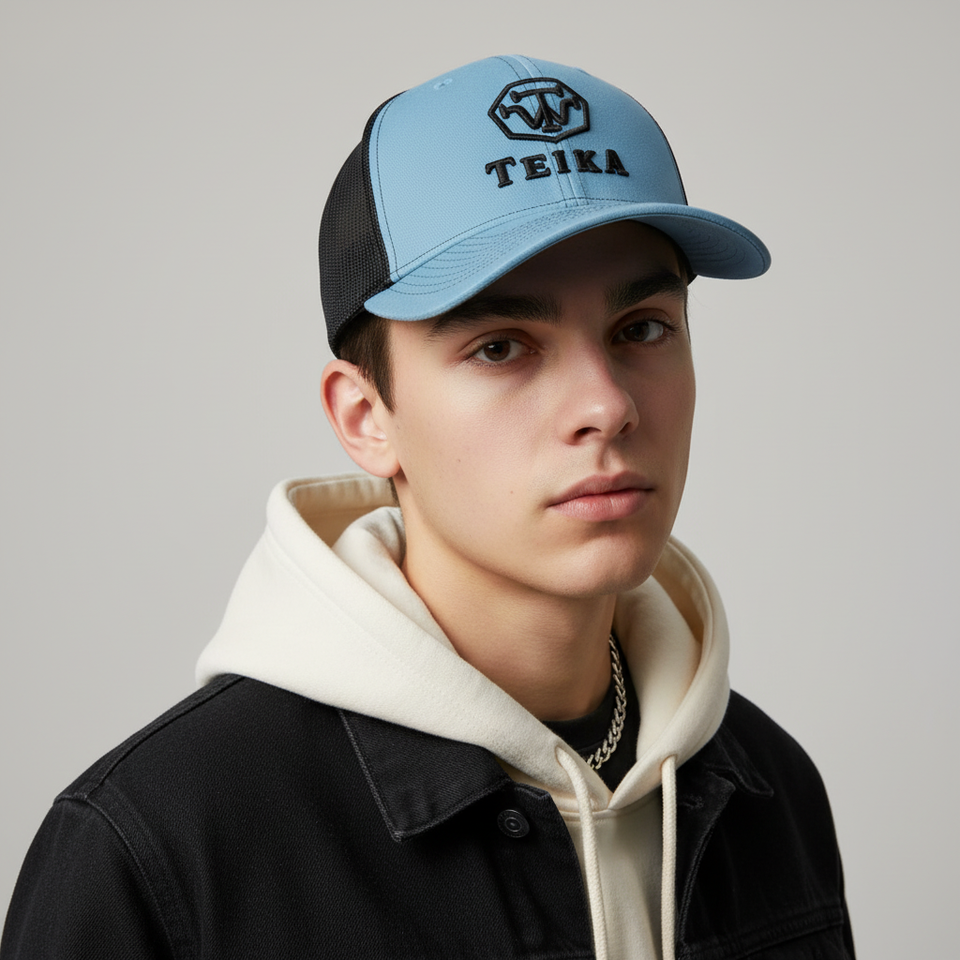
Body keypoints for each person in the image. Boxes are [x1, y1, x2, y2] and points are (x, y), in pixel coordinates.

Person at [0, 55, 854, 960]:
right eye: (501, 347)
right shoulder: (160, 847)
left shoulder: (766, 786)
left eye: (641, 328)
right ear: (366, 418)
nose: (607, 405)